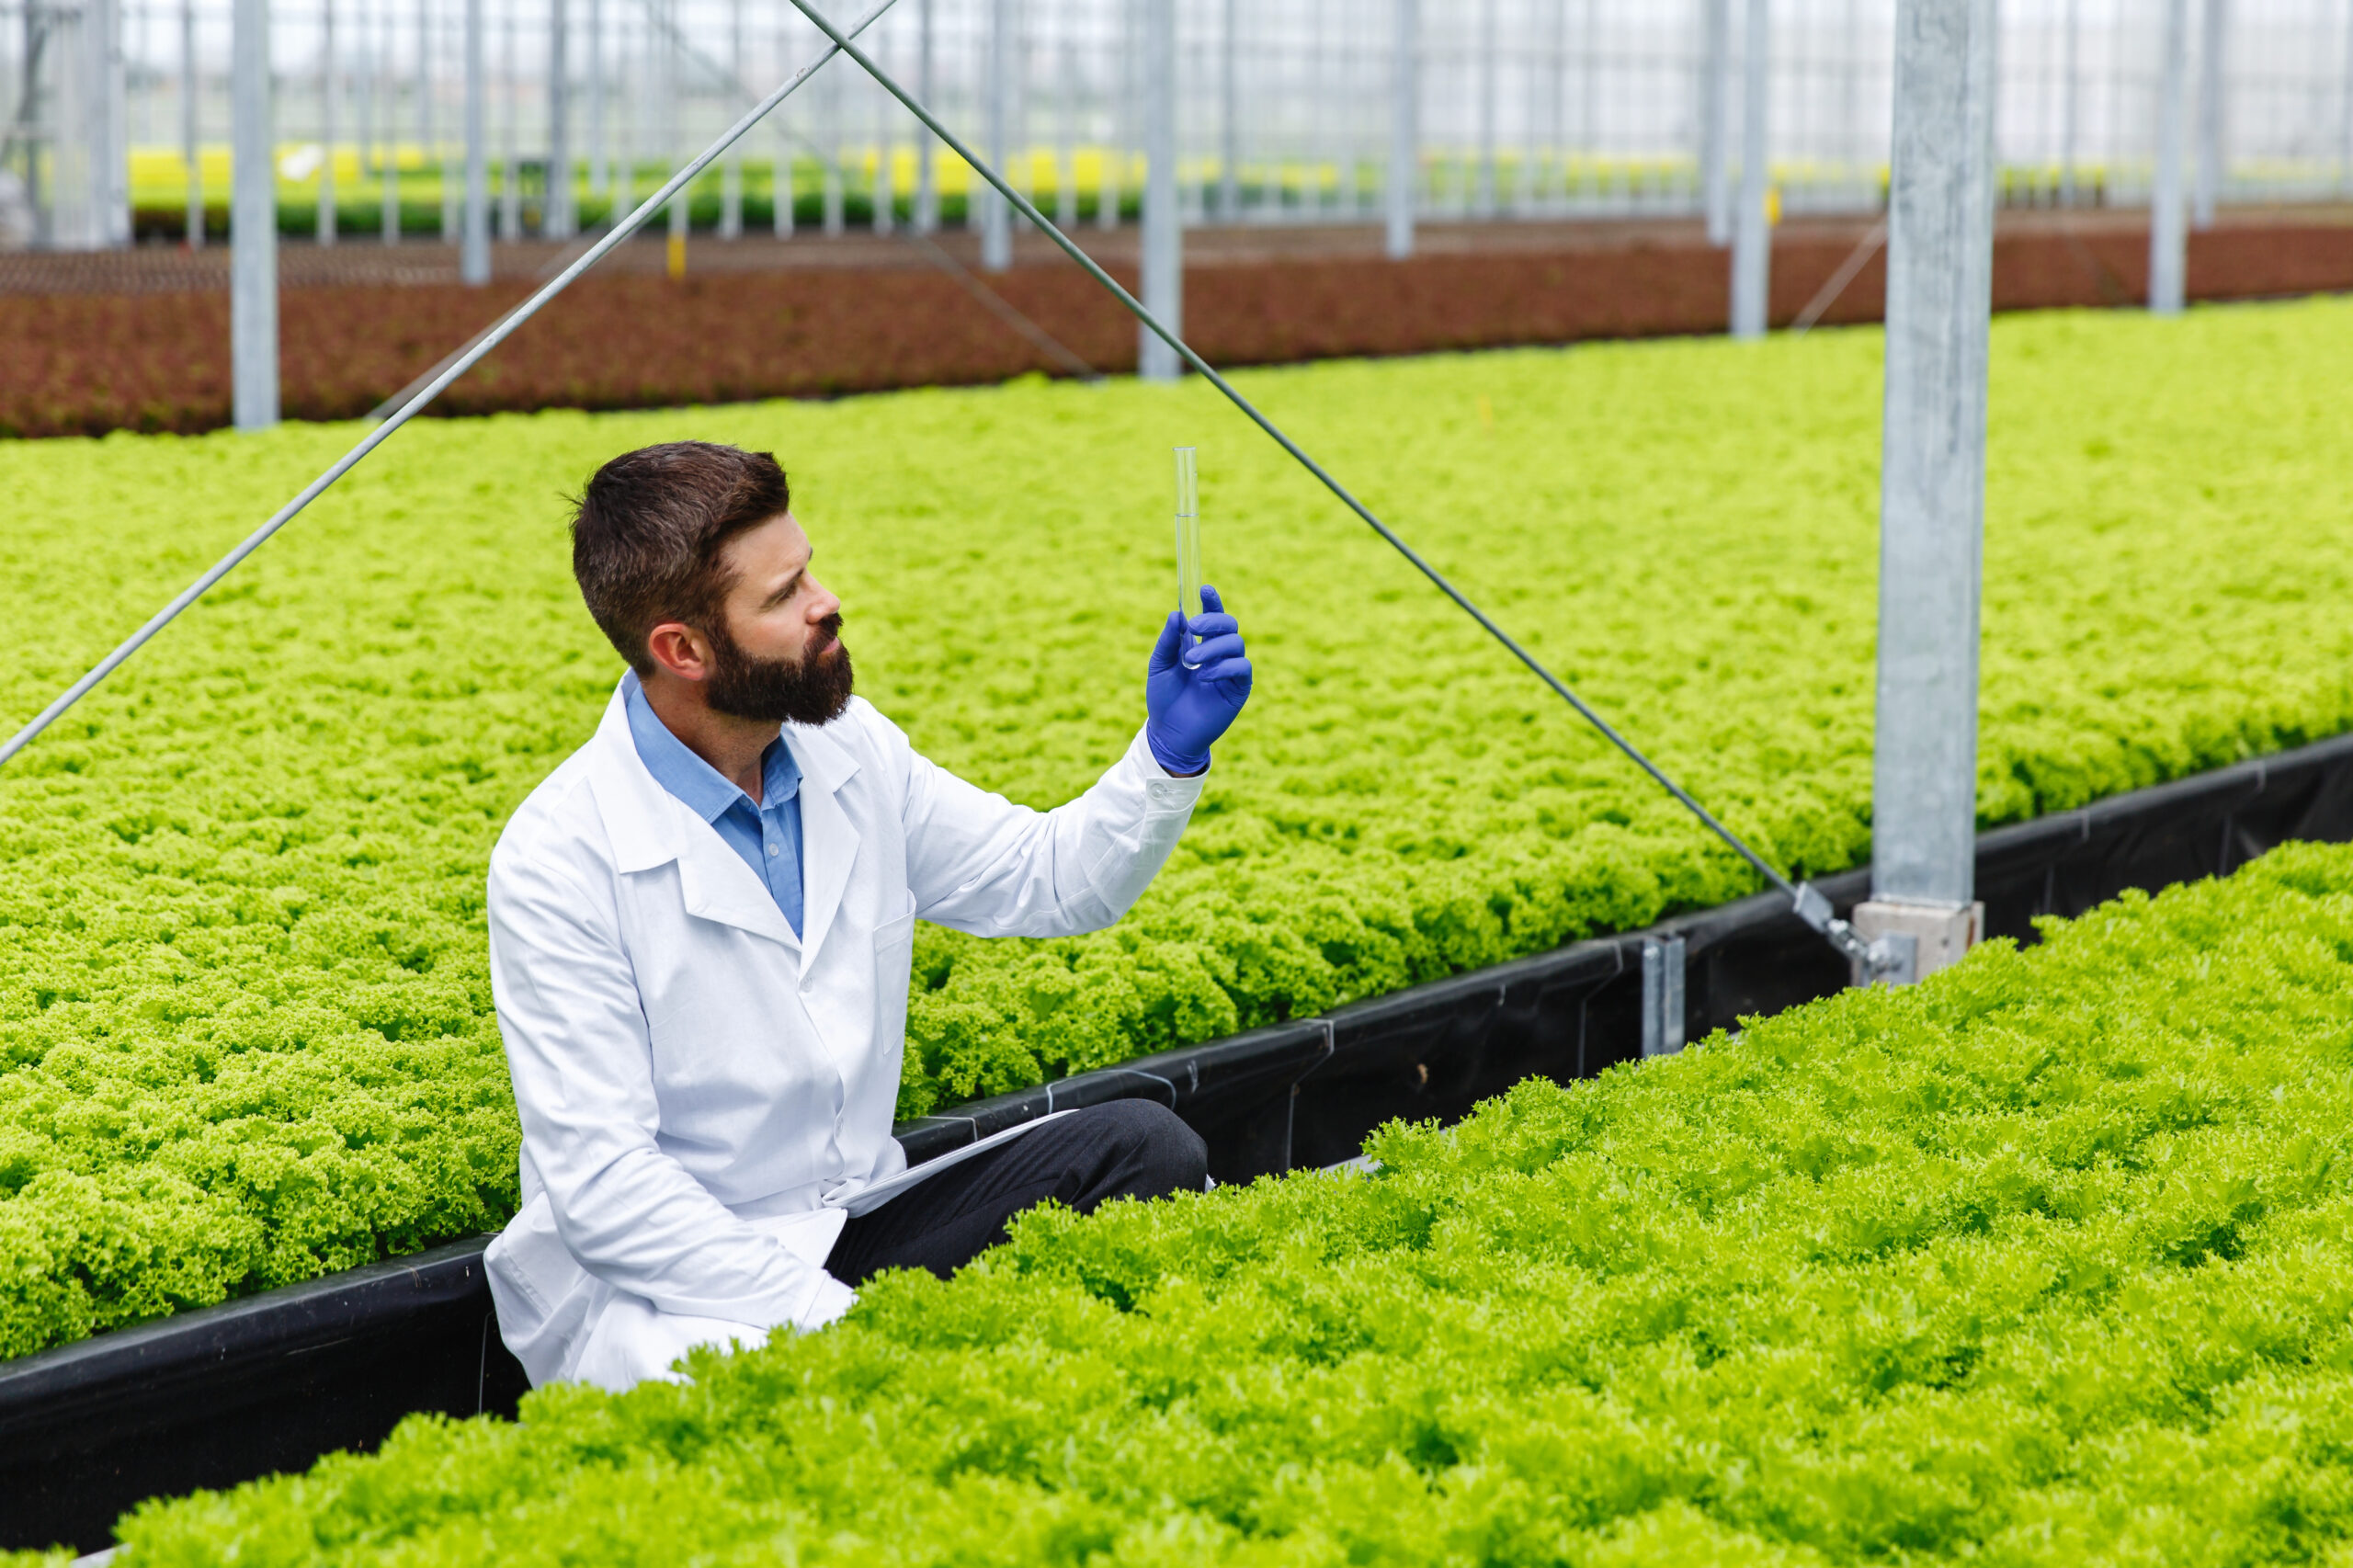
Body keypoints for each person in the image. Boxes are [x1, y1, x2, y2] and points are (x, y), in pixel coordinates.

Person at [482, 441, 1253, 1393]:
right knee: (759, 1392)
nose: (824, 602)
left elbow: (1047, 879)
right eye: (782, 596)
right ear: (681, 649)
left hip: (844, 1224)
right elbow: (608, 1196)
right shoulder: (560, 855)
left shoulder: (850, 749)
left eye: (805, 569)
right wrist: (849, 1328)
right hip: (665, 1293)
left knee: (1144, 1148)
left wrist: (1168, 755)